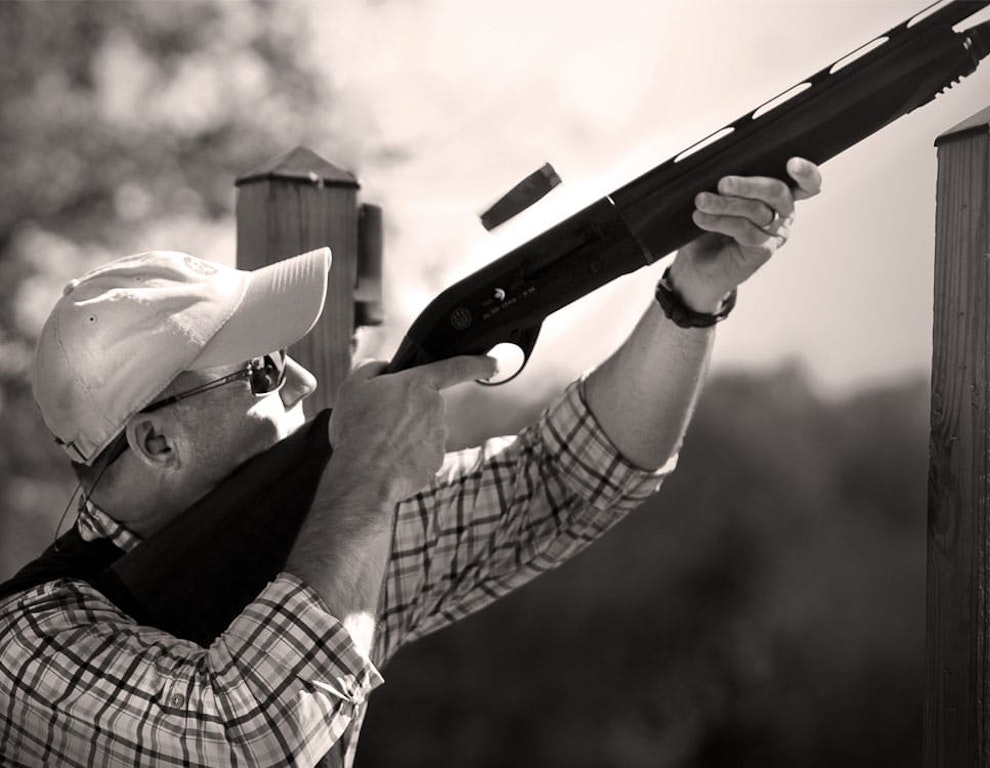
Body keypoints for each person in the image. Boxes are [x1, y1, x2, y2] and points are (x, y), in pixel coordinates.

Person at [0, 157, 822, 767]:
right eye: (259, 371)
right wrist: (366, 476)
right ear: (156, 441)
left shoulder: (312, 537)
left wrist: (690, 297)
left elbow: (575, 477)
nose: (302, 375)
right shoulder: (24, 646)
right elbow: (248, 742)